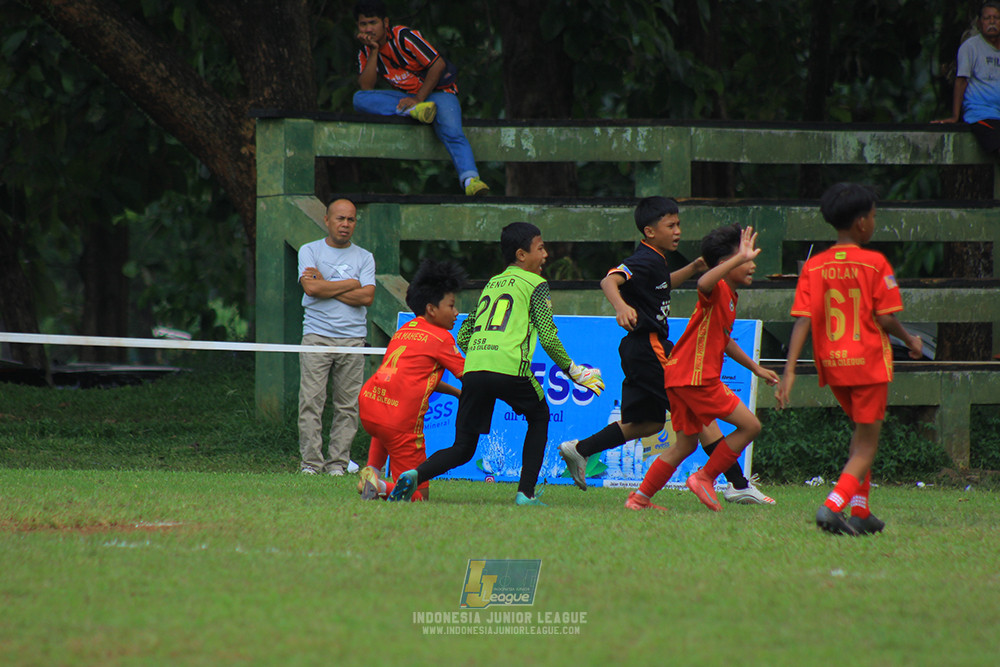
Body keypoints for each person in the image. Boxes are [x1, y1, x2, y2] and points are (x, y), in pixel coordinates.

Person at [558, 197, 776, 505]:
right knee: (702, 419)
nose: (677, 231)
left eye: (679, 225)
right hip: (650, 347)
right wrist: (621, 307)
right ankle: (737, 483)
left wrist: (693, 266)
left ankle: (582, 451)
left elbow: (661, 286)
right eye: (670, 225)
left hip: (639, 348)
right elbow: (609, 280)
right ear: (649, 231)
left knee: (648, 424)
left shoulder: (657, 261)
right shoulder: (645, 260)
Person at [389, 222, 605, 506]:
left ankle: (415, 474)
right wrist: (573, 371)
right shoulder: (535, 284)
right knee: (539, 417)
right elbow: (549, 337)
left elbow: (465, 334)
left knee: (463, 448)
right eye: (540, 248)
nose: (546, 255)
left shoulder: (493, 283)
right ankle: (525, 495)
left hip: (475, 369)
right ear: (521, 254)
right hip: (508, 368)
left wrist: (485, 349)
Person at [776, 183, 923, 536]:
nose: (873, 222)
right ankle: (832, 507)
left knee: (860, 437)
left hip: (834, 365)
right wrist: (910, 339)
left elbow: (803, 319)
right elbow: (885, 317)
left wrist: (791, 370)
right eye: (873, 216)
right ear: (861, 223)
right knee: (868, 445)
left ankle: (862, 510)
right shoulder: (875, 263)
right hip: (869, 363)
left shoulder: (815, 266)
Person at [626, 224, 779, 512]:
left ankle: (639, 499)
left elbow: (725, 341)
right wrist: (734, 259)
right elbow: (702, 283)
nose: (752, 264)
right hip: (696, 378)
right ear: (725, 265)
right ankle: (705, 477)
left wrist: (755, 368)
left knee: (684, 445)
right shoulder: (717, 288)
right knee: (751, 426)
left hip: (680, 376)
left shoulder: (730, 297)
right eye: (745, 259)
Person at [356, 259, 467, 501]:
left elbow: (416, 377)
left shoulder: (405, 330)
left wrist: (456, 393)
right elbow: (469, 375)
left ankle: (371, 472)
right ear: (431, 309)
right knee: (419, 497)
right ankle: (381, 486)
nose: (456, 313)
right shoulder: (442, 338)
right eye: (451, 305)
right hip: (399, 422)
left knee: (384, 425)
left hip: (371, 404)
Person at [352, 0, 489, 196]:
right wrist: (374, 51)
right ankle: (412, 111)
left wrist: (419, 98)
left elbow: (438, 64)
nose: (368, 29)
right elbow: (366, 87)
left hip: (438, 93)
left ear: (385, 22)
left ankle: (470, 180)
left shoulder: (403, 36)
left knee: (452, 131)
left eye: (373, 23)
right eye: (363, 24)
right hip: (409, 101)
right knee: (359, 99)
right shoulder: (365, 51)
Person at [297, 198, 376, 475]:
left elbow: (367, 296)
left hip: (353, 339)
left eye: (350, 219)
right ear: (327, 220)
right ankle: (310, 463)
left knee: (348, 406)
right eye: (340, 218)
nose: (345, 224)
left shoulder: (364, 257)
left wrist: (325, 284)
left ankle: (338, 464)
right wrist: (351, 284)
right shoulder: (309, 251)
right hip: (316, 336)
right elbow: (310, 289)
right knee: (311, 402)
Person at [932, 2, 1000, 157]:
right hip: (982, 114)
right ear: (979, 22)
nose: (991, 22)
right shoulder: (971, 47)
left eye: (996, 18)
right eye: (987, 18)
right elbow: (961, 81)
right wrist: (955, 116)